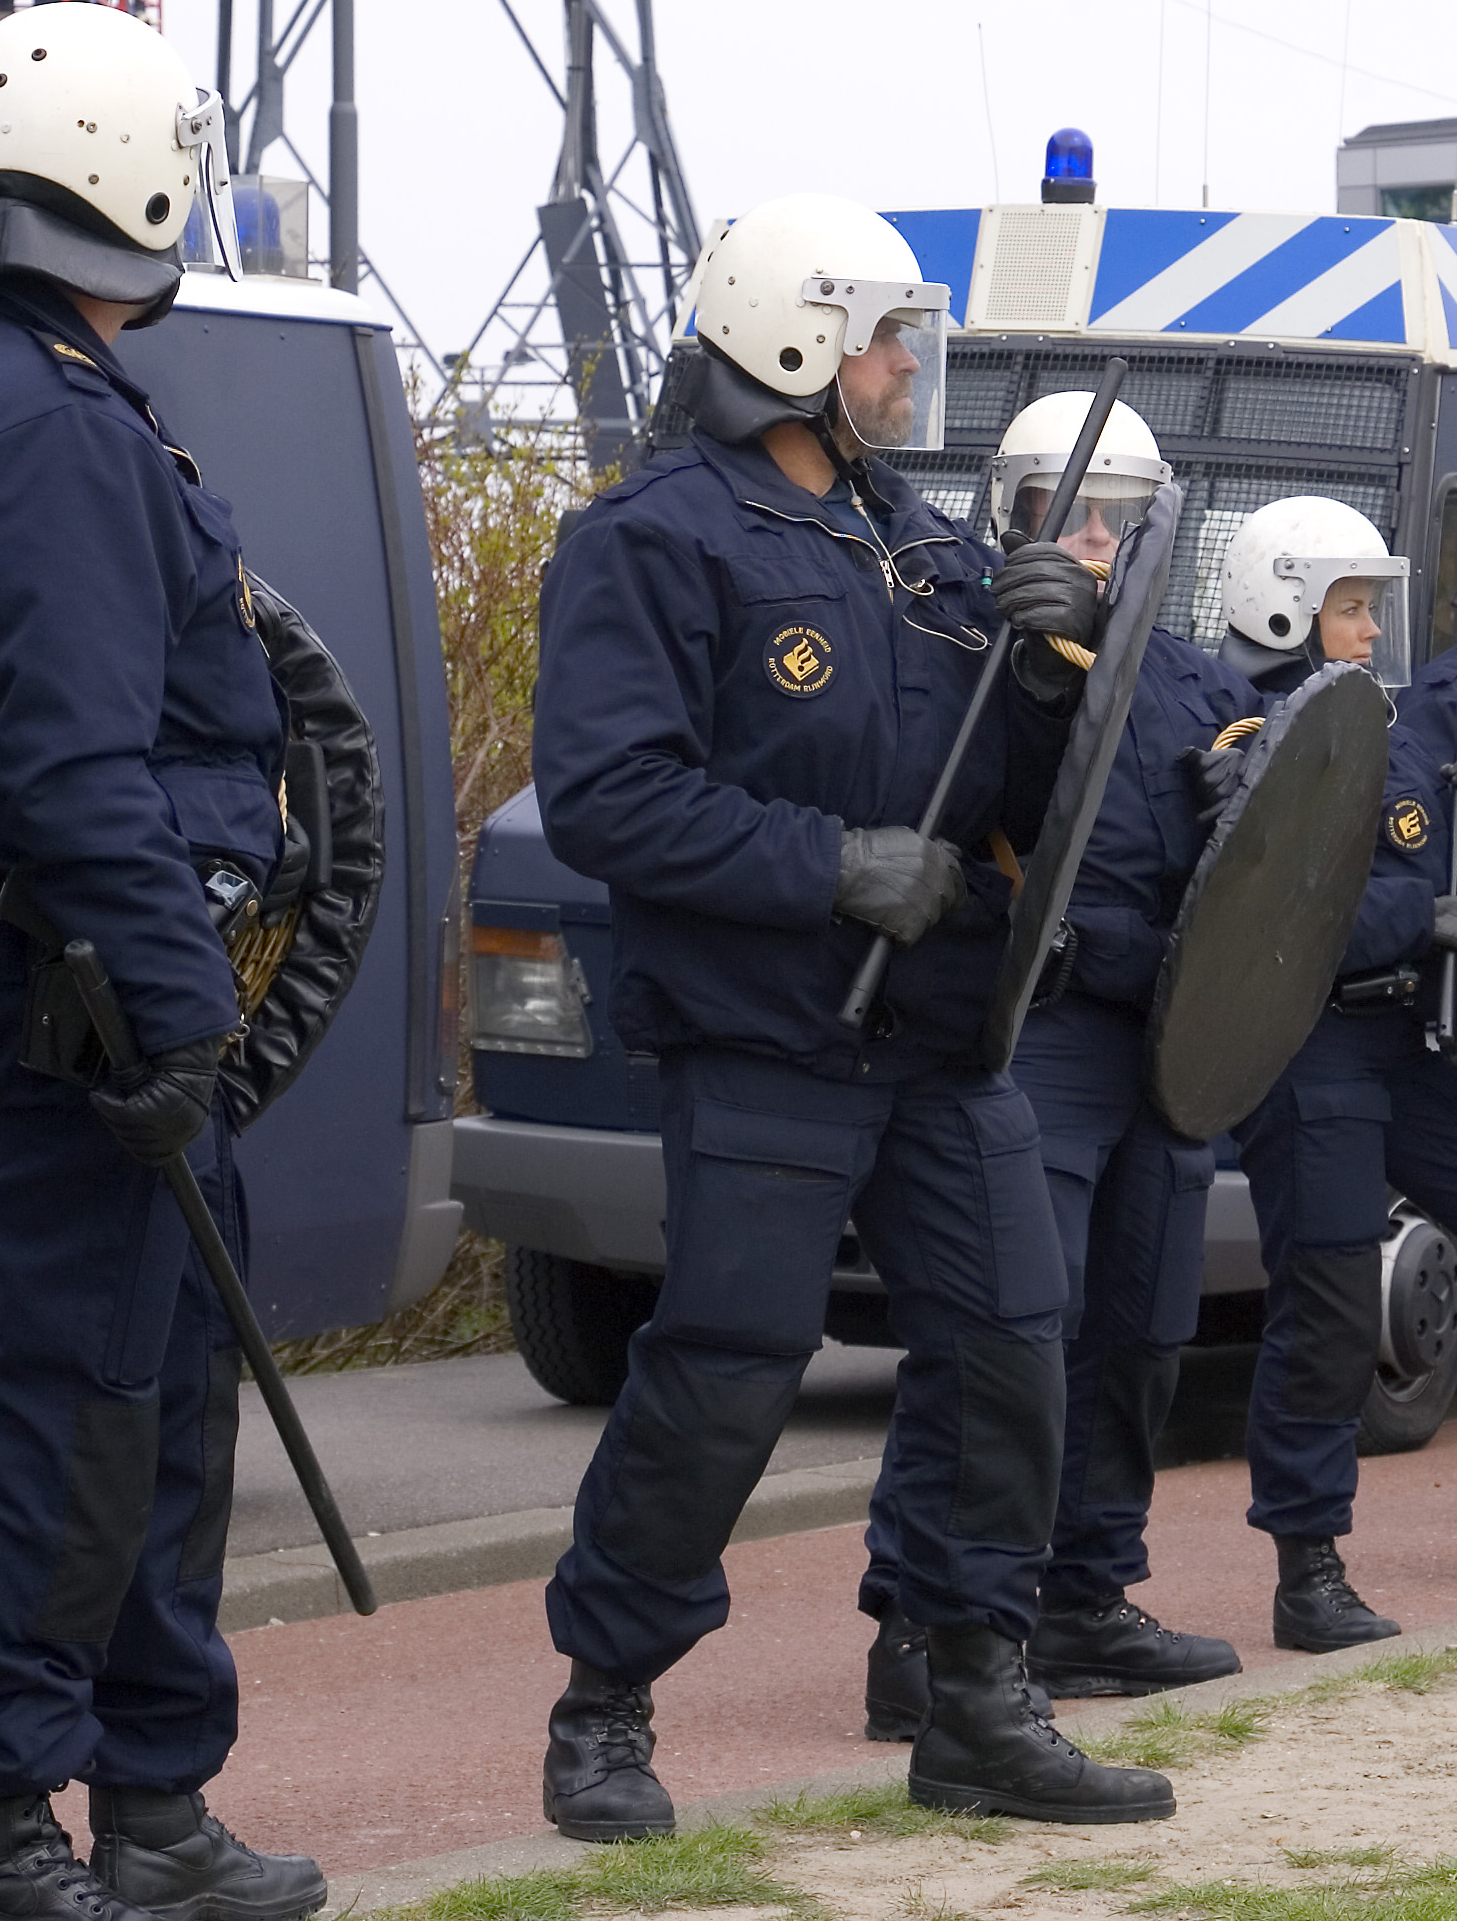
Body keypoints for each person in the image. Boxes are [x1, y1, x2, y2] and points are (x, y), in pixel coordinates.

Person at [529, 194, 1169, 1836]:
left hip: (943, 1046)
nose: (908, 367)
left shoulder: (929, 544)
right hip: (768, 1039)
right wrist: (831, 865)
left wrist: (1043, 675)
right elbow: (607, 798)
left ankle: (969, 1693)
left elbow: (1016, 797)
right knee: (728, 1372)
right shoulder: (651, 536)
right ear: (797, 345)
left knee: (1013, 1351)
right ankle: (603, 1705)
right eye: (887, 338)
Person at [0, 0, 326, 1921]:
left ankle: (154, 1808)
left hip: (87, 961)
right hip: (77, 969)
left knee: (153, 1403)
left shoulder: (3, 382)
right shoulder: (43, 415)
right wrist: (176, 996)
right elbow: (69, 758)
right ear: (131, 178)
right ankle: (0, 1837)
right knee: (71, 1408)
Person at [851, 398, 1264, 1741]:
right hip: (1041, 1025)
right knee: (1005, 1332)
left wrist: (1243, 820)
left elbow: (1276, 863)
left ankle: (1084, 1593)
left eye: (1119, 515)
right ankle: (920, 1621)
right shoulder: (966, 654)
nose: (1093, 535)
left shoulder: (1200, 681)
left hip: (1168, 1036)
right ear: (1011, 510)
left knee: (1141, 1329)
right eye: (1069, 508)